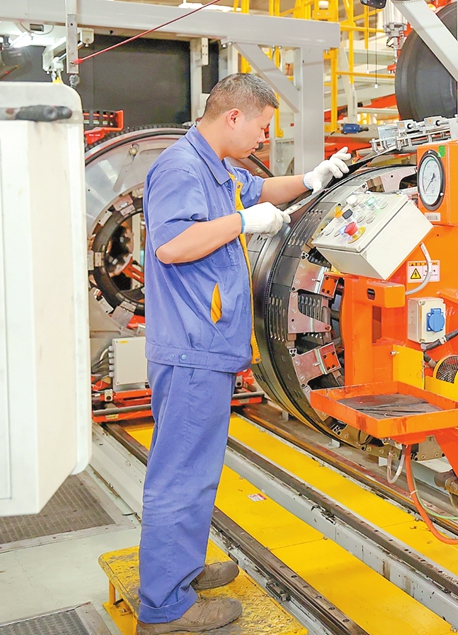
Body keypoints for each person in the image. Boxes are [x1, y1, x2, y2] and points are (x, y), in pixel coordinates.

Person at [136, 73, 351, 633]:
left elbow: (259, 193)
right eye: (261, 127)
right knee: (181, 476)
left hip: (203, 346)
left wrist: (313, 178)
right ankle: (166, 608)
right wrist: (241, 224)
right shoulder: (181, 169)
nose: (262, 138)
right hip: (190, 349)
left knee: (195, 471)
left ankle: (177, 571)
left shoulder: (214, 166)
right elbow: (173, 244)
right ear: (234, 117)